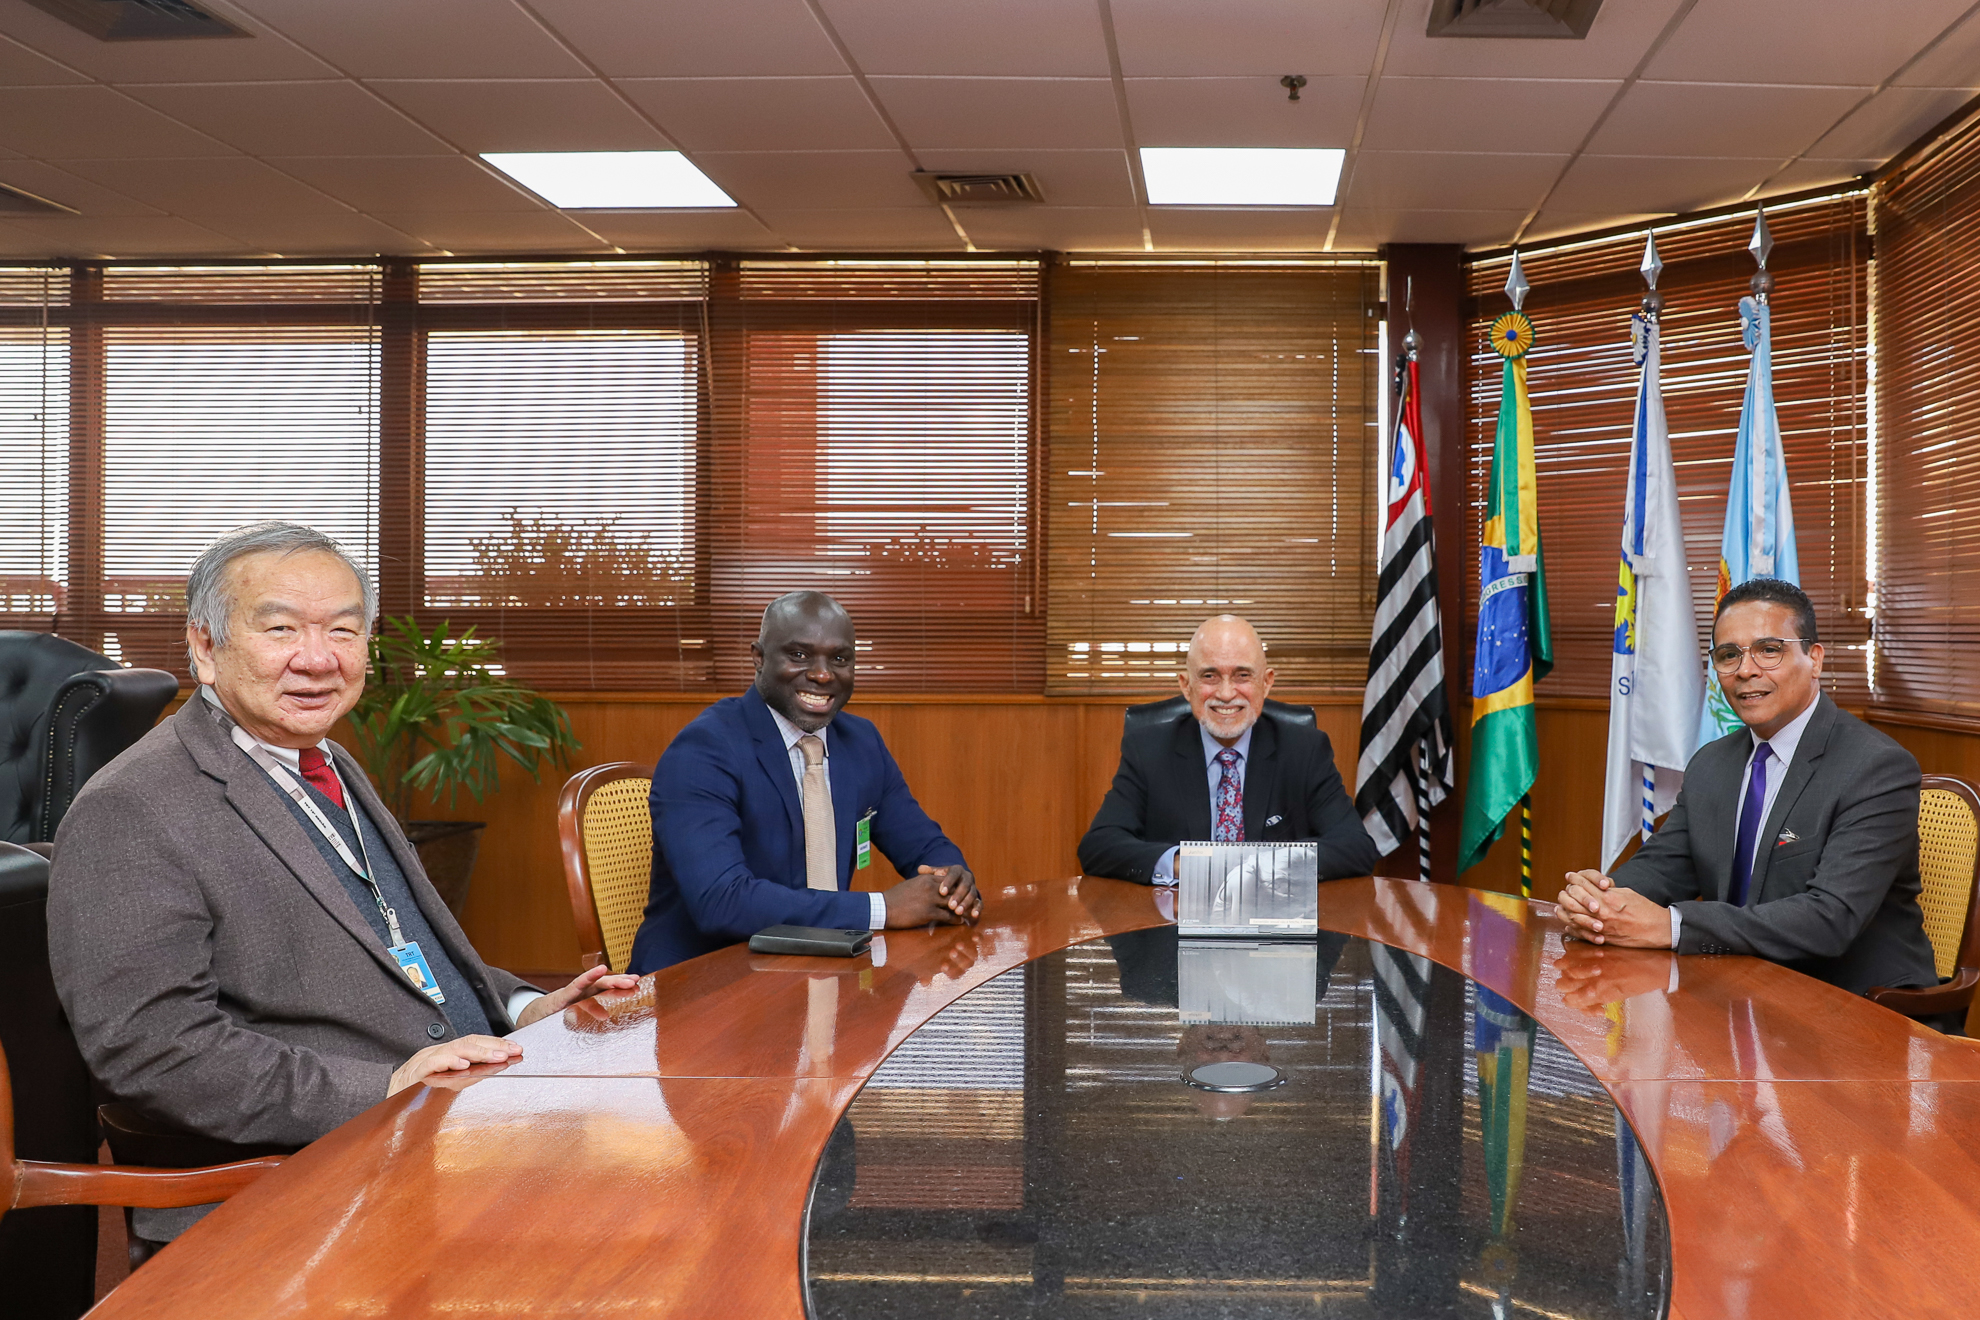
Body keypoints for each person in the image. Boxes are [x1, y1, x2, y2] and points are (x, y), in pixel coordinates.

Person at [46, 522, 636, 1243]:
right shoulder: (132, 808)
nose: (318, 660)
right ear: (205, 647)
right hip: (298, 1192)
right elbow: (154, 1050)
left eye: (344, 631)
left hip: (446, 1135)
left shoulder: (318, 757)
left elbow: (388, 940)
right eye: (282, 628)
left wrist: (522, 1007)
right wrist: (386, 1087)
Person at [1557, 578, 1935, 996]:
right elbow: (1663, 868)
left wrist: (1672, 926)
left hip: (1857, 1006)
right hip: (1740, 993)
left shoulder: (1875, 767)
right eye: (1728, 655)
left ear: (1814, 659)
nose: (1745, 670)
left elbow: (1830, 920)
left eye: (1769, 650)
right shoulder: (1712, 763)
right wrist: (1598, 904)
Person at [626, 591, 981, 974]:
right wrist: (882, 908)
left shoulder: (860, 743)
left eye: (840, 659)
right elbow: (721, 900)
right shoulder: (704, 749)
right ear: (759, 658)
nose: (823, 674)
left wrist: (951, 884)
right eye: (799, 655)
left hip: (816, 976)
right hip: (701, 984)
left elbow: (924, 844)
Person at [1077, 614, 1378, 886]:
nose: (1225, 693)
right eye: (1209, 676)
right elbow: (1099, 846)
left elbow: (1355, 847)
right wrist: (1186, 865)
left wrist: (1264, 867)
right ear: (1186, 686)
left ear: (1266, 682)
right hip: (1173, 925)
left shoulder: (1305, 750)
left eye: (1242, 675)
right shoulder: (1148, 749)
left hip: (1274, 927)